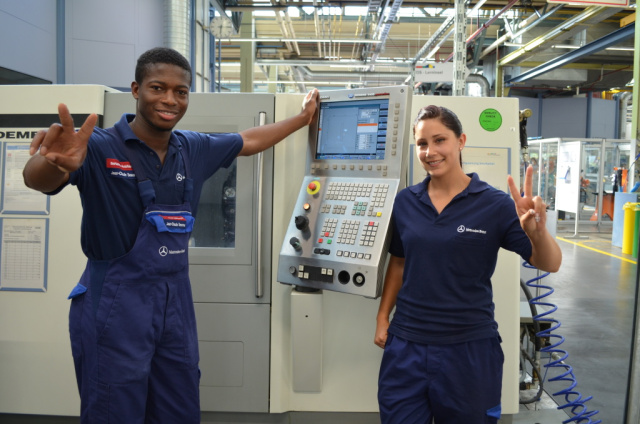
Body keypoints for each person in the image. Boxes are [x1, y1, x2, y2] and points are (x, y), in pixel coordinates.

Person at [22, 47, 319, 424]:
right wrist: (50, 163)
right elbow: (38, 179)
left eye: (181, 91)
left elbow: (249, 141)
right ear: (136, 89)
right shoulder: (98, 146)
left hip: (175, 303)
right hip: (115, 302)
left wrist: (302, 118)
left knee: (178, 403)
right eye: (157, 88)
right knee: (115, 408)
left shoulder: (191, 148)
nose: (170, 100)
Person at [374, 105, 561, 424]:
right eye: (422, 143)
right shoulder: (405, 202)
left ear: (460, 141)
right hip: (406, 345)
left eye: (439, 140)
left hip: (468, 349)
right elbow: (400, 262)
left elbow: (550, 263)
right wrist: (382, 317)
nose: (430, 152)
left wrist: (538, 232)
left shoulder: (494, 204)